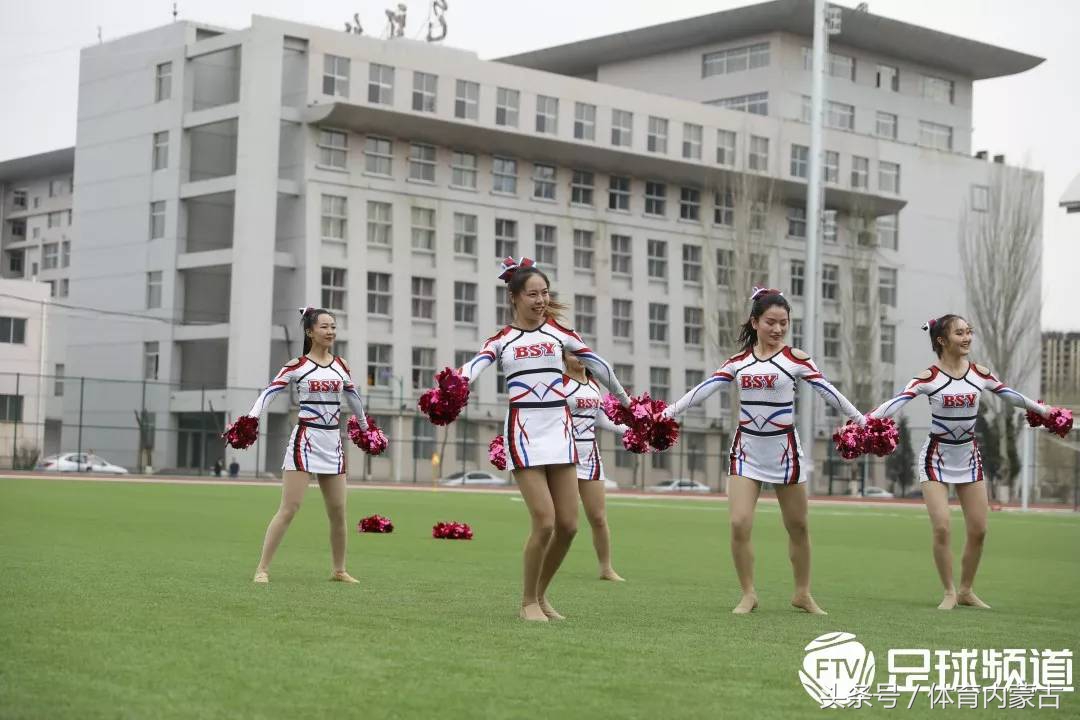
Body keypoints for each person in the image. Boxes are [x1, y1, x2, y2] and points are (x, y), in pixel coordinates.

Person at [662, 288, 864, 615]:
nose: (778, 329)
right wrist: (666, 413)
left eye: (784, 323)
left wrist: (862, 420)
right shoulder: (738, 362)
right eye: (771, 322)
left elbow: (830, 392)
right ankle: (748, 593)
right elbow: (702, 391)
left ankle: (802, 593)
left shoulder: (796, 360)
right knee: (739, 523)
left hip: (785, 451)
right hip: (747, 450)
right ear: (755, 322)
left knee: (798, 526)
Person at [457, 257, 630, 621]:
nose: (540, 300)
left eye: (545, 293)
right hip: (524, 431)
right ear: (515, 298)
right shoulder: (502, 340)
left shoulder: (560, 334)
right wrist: (456, 384)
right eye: (532, 294)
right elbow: (474, 365)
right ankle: (527, 602)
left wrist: (630, 406)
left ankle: (541, 595)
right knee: (545, 521)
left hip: (560, 430)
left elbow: (601, 367)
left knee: (569, 525)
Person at [866, 314, 1051, 610]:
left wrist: (1043, 410)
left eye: (969, 332)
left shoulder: (979, 373)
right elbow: (897, 401)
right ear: (942, 340)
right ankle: (949, 591)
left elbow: (1011, 396)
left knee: (979, 530)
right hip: (935, 459)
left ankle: (966, 590)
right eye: (960, 333)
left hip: (969, 457)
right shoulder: (928, 378)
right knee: (942, 527)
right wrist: (865, 420)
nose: (967, 338)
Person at [242, 306, 369, 585]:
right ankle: (262, 568)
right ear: (310, 331)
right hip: (305, 440)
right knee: (289, 507)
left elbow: (354, 397)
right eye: (324, 327)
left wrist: (364, 426)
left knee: (338, 510)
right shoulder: (296, 366)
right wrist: (251, 418)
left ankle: (339, 570)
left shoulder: (341, 365)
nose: (330, 331)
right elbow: (269, 392)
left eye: (333, 326)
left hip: (332, 441)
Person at [563, 349, 628, 582]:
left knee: (599, 517)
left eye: (580, 354)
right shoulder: (559, 384)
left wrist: (632, 431)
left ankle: (606, 568)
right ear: (563, 358)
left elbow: (603, 421)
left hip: (590, 456)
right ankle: (545, 563)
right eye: (571, 354)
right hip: (565, 457)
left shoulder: (594, 385)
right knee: (563, 521)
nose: (578, 358)